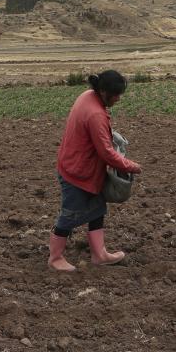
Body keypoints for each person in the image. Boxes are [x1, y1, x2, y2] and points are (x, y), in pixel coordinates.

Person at [48, 70, 143, 271]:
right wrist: (131, 166)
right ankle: (55, 258)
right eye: (115, 94)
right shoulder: (96, 114)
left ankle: (99, 255)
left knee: (97, 209)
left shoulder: (87, 96)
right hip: (77, 172)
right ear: (102, 91)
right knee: (70, 214)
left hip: (83, 166)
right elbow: (107, 154)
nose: (118, 98)